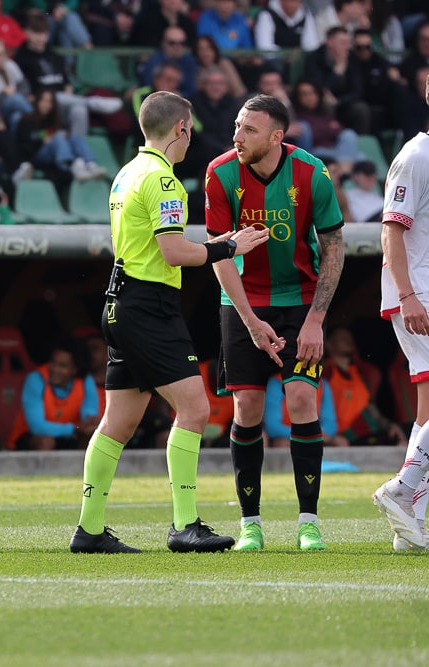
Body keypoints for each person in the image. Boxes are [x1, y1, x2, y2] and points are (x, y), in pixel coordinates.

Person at [71, 90, 269, 555]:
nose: (191, 135)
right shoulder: (164, 181)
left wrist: (222, 241)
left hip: (120, 302)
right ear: (181, 128)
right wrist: (230, 247)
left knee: (117, 423)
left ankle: (89, 530)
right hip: (148, 307)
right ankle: (185, 525)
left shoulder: (127, 173)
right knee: (196, 410)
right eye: (190, 128)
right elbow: (174, 252)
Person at [204, 94, 345, 552]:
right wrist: (248, 321)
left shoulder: (311, 173)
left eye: (248, 129)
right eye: (237, 125)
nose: (237, 136)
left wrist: (316, 320)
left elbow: (334, 247)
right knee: (246, 409)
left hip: (300, 300)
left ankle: (308, 522)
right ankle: (251, 524)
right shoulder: (219, 173)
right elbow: (219, 255)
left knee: (302, 400)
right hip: (242, 300)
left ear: (276, 136)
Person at [373, 72, 429, 551]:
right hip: (420, 296)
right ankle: (401, 490)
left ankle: (409, 524)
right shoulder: (416, 155)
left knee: (427, 412)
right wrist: (409, 296)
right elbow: (391, 230)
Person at [9, 335, 99, 451]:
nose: (55, 369)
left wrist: (89, 424)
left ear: (74, 369)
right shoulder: (36, 379)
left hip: (72, 435)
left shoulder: (86, 380)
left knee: (91, 436)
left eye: (62, 366)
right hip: (31, 439)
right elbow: (37, 427)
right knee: (46, 442)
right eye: (53, 362)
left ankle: (85, 469)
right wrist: (74, 429)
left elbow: (89, 416)